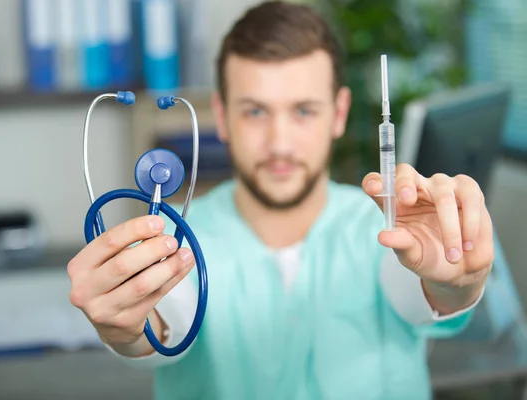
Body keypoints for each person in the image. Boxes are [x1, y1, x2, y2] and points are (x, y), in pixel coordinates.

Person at [68, 2, 494, 399]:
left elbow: (427, 291)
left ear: (339, 113)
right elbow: (163, 324)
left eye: (304, 111)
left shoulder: (387, 230)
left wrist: (454, 279)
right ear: (222, 116)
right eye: (255, 111)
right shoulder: (175, 238)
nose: (279, 143)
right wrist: (126, 327)